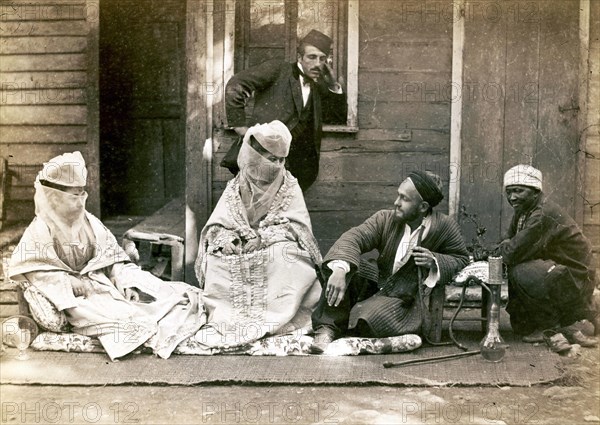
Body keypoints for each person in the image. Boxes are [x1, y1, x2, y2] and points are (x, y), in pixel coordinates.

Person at [8, 151, 205, 360]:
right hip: (75, 297)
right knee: (123, 320)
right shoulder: (39, 229)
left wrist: (128, 284)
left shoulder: (89, 221)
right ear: (54, 198)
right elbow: (34, 270)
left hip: (100, 284)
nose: (80, 202)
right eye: (74, 196)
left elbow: (113, 259)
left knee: (169, 297)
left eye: (82, 194)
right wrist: (65, 279)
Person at [194, 120, 322, 349]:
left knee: (283, 258)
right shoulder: (236, 187)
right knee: (217, 260)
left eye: (281, 160)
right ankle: (229, 321)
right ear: (255, 157)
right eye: (272, 160)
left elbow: (298, 227)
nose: (277, 165)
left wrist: (264, 238)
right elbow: (217, 225)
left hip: (276, 243)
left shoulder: (289, 185)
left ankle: (277, 321)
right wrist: (228, 240)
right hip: (242, 245)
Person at [309, 171, 470, 354]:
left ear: (423, 207)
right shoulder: (385, 218)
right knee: (343, 265)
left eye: (404, 199)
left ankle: (351, 325)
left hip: (403, 297)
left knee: (368, 318)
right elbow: (355, 237)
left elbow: (461, 258)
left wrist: (433, 261)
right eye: (398, 195)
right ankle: (327, 328)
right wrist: (340, 270)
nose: (396, 203)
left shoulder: (444, 226)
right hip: (377, 281)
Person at [224, 29, 346, 191]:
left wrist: (332, 85)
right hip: (263, 159)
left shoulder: (319, 86)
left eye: (322, 59)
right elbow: (235, 86)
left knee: (286, 215)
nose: (317, 64)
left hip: (299, 169)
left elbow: (336, 117)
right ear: (299, 57)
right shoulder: (278, 70)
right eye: (312, 57)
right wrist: (240, 127)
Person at [495, 164, 598, 345]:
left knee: (520, 271)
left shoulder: (542, 213)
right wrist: (508, 245)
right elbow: (510, 240)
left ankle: (552, 325)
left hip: (576, 274)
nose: (512, 197)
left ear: (535, 191)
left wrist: (506, 247)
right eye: (509, 192)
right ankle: (574, 315)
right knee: (521, 326)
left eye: (518, 191)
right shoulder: (524, 210)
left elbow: (511, 252)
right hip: (557, 268)